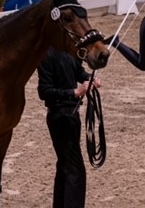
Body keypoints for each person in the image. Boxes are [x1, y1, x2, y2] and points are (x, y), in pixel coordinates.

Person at [37, 47, 102, 208]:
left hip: (72, 116)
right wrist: (75, 92)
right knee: (75, 169)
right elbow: (44, 91)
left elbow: (78, 71)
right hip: (60, 116)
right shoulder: (46, 54)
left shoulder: (69, 51)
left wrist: (89, 78)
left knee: (65, 166)